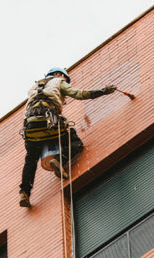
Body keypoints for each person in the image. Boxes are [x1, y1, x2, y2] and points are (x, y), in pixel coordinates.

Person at [19, 67, 117, 207]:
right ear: (59, 75)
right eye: (66, 78)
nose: (66, 81)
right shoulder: (58, 81)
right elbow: (79, 94)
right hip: (50, 123)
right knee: (75, 142)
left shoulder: (33, 88)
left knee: (30, 160)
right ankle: (60, 160)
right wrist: (103, 91)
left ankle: (24, 192)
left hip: (30, 128)